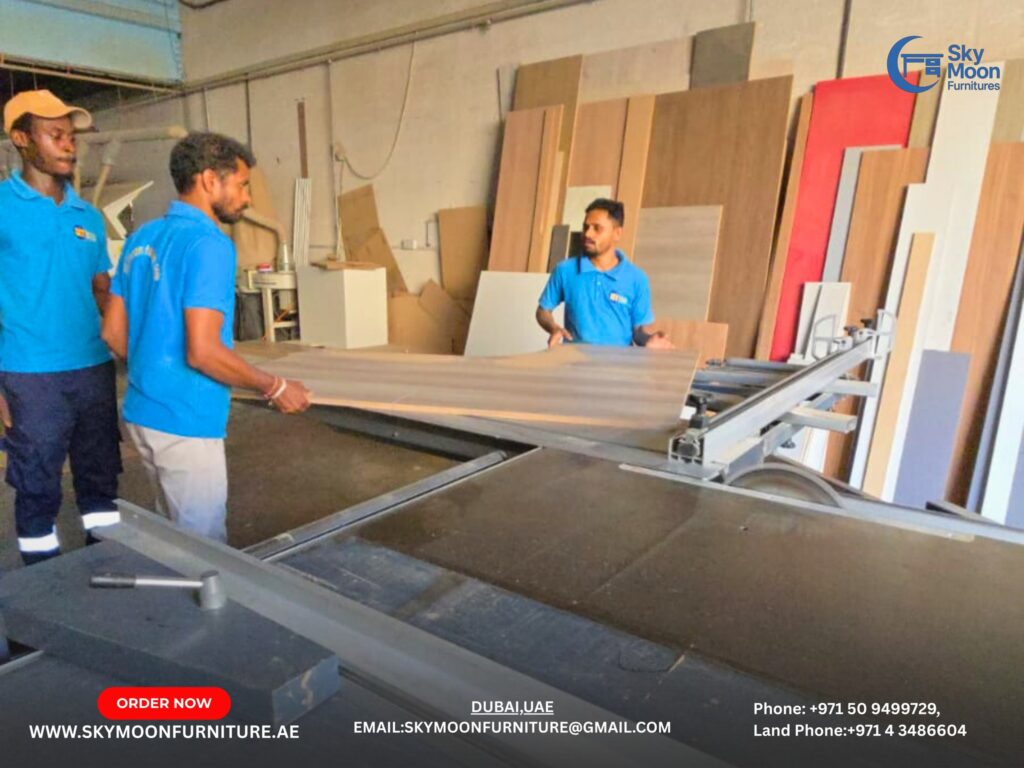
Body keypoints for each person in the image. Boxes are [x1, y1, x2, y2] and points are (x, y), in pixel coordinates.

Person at [102, 132, 311, 543]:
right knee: (205, 552)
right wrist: (276, 386)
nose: (247, 198)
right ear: (208, 180)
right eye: (241, 184)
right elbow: (202, 352)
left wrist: (153, 365)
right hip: (186, 421)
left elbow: (111, 331)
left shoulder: (142, 237)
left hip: (143, 413)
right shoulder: (209, 244)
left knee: (174, 534)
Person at [0, 90, 122, 565]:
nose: (68, 145)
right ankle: (44, 587)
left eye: (70, 137)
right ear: (20, 139)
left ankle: (107, 570)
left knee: (101, 479)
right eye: (55, 135)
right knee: (37, 483)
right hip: (31, 375)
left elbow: (102, 291)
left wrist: (128, 345)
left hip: (92, 369)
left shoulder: (87, 217)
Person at [536, 199, 673, 349]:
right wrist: (554, 328)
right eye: (585, 227)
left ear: (617, 233)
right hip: (573, 366)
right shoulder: (565, 270)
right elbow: (543, 311)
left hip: (618, 368)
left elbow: (638, 332)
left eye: (597, 228)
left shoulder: (637, 279)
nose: (588, 233)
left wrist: (648, 340)